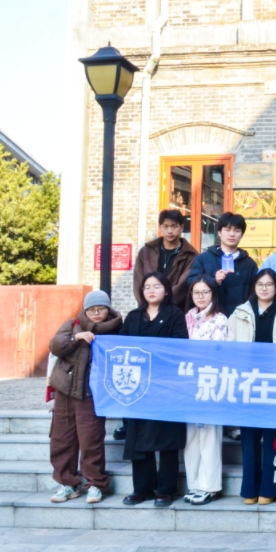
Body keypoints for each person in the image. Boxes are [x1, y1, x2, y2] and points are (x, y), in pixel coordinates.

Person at [227, 269, 276, 505]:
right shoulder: (239, 314)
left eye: (269, 284)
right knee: (249, 438)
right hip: (248, 383)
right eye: (260, 284)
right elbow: (230, 348)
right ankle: (249, 489)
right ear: (254, 287)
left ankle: (270, 487)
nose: (264, 288)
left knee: (273, 437)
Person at [47, 290, 123, 504]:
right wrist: (76, 338)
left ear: (108, 309)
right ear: (85, 310)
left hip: (94, 393)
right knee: (61, 438)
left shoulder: (117, 328)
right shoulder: (73, 324)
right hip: (66, 389)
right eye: (91, 309)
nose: (96, 313)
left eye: (101, 309)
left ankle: (95, 484)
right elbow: (55, 345)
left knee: (91, 440)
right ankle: (67, 484)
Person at [120, 272, 189, 507]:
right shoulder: (133, 317)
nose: (151, 290)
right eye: (147, 287)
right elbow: (122, 346)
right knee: (138, 438)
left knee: (167, 439)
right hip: (137, 385)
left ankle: (166, 490)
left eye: (156, 286)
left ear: (166, 290)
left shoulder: (175, 314)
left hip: (165, 384)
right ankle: (142, 489)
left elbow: (179, 345)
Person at [181, 276, 228, 506]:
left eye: (205, 292)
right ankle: (194, 484)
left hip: (210, 383)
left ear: (213, 294)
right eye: (196, 292)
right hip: (188, 385)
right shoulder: (187, 317)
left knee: (209, 437)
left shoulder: (220, 319)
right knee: (191, 438)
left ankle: (209, 486)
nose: (200, 296)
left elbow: (217, 353)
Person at [187, 212, 258, 317]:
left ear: (242, 235)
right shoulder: (203, 259)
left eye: (237, 230)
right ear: (219, 232)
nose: (232, 234)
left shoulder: (249, 264)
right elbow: (191, 284)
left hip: (240, 318)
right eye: (227, 229)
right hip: (210, 318)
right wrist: (213, 280)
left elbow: (255, 293)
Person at [133, 209, 198, 307]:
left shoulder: (190, 255)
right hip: (147, 309)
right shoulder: (146, 252)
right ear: (159, 227)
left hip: (175, 310)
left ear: (181, 227)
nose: (170, 231)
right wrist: (147, 306)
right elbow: (138, 281)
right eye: (165, 226)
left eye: (174, 226)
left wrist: (163, 305)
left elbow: (183, 286)